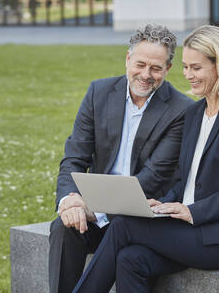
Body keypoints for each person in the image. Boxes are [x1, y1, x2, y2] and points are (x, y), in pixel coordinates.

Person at [72, 25, 219, 293]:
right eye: (186, 67)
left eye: (197, 68)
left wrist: (193, 211)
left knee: (122, 226)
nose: (188, 75)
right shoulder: (194, 114)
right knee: (130, 259)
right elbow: (185, 181)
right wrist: (162, 204)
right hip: (187, 229)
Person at [49, 23, 194, 293]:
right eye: (140, 64)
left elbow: (152, 178)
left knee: (122, 244)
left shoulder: (181, 110)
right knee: (64, 227)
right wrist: (70, 201)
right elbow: (74, 158)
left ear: (168, 70)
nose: (145, 75)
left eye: (156, 68)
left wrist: (95, 206)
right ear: (127, 59)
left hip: (138, 221)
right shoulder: (98, 93)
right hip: (95, 215)